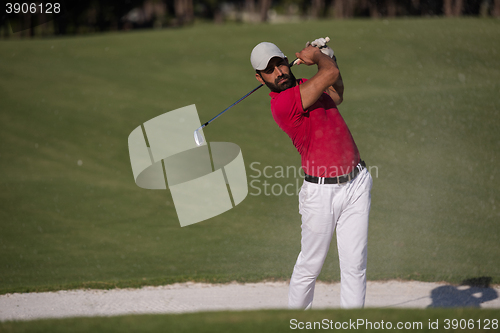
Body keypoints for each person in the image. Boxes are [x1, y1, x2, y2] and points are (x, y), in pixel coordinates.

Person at [250, 39, 373, 309]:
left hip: (356, 183)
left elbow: (337, 92)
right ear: (260, 79)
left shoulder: (306, 83)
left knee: (355, 266)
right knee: (310, 266)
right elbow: (328, 75)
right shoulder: (282, 104)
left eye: (279, 63)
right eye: (269, 70)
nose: (279, 72)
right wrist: (318, 57)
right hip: (321, 193)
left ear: (286, 60)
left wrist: (329, 56)